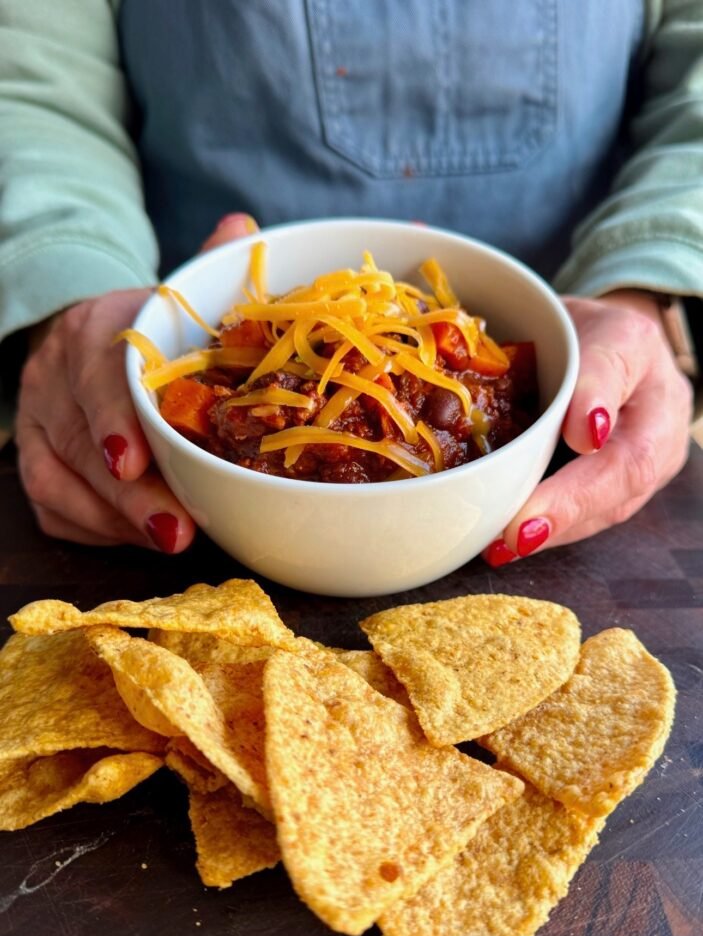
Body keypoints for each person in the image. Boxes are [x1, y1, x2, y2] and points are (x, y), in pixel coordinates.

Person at [0, 2, 698, 564]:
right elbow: (28, 74)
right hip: (170, 311)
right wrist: (66, 268)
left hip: (565, 315)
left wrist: (642, 277)